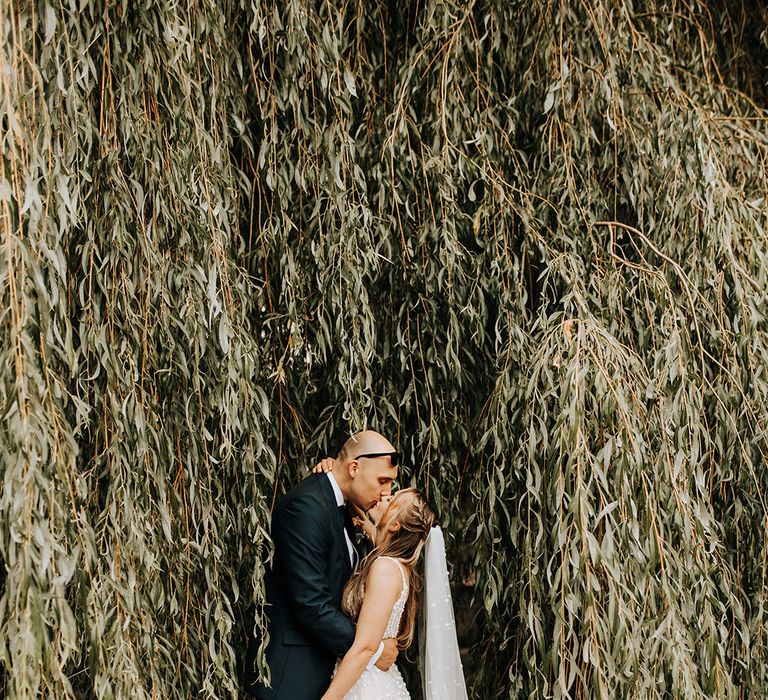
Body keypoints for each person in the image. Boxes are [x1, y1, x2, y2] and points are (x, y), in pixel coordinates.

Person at [245, 431, 400, 699]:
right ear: (354, 467)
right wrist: (371, 649)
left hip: (324, 670)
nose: (387, 492)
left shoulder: (343, 506)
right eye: (383, 481)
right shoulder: (307, 507)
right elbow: (311, 604)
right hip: (293, 676)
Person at [318, 486, 469, 700]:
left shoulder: (385, 568)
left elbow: (364, 649)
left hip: (366, 684)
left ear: (396, 524)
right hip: (367, 676)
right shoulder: (393, 561)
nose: (383, 496)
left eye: (391, 501)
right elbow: (378, 535)